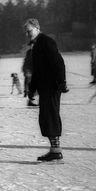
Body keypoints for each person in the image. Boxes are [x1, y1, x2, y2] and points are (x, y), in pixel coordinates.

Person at [23, 19, 68, 163]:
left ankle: (56, 152)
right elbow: (37, 69)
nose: (27, 34)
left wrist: (61, 82)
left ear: (37, 28)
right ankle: (55, 150)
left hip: (51, 86)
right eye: (26, 32)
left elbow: (59, 62)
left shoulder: (46, 42)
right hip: (44, 86)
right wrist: (32, 88)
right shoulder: (36, 45)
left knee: (50, 116)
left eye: (29, 31)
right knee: (46, 117)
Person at [23, 40, 37, 106]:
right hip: (29, 70)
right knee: (30, 85)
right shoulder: (29, 52)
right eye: (31, 45)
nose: (32, 46)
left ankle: (31, 100)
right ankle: (30, 100)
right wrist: (25, 70)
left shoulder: (36, 52)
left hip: (34, 71)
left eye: (33, 45)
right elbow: (26, 62)